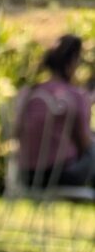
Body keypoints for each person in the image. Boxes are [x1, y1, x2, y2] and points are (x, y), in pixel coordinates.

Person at [15, 34, 94, 188]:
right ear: (71, 62)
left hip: (25, 175)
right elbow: (85, 144)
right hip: (59, 175)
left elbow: (15, 132)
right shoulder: (74, 96)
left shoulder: (29, 93)